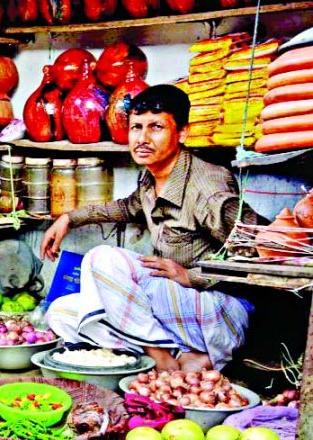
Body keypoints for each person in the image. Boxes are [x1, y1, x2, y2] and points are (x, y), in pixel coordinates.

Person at [39, 85, 258, 373]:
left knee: (101, 259)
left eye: (156, 127)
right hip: (175, 310)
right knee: (62, 313)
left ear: (182, 132)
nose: (142, 139)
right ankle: (185, 356)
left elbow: (257, 249)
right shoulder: (153, 177)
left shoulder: (208, 186)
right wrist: (69, 218)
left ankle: (160, 359)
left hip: (218, 312)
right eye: (136, 127)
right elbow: (127, 207)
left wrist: (192, 276)